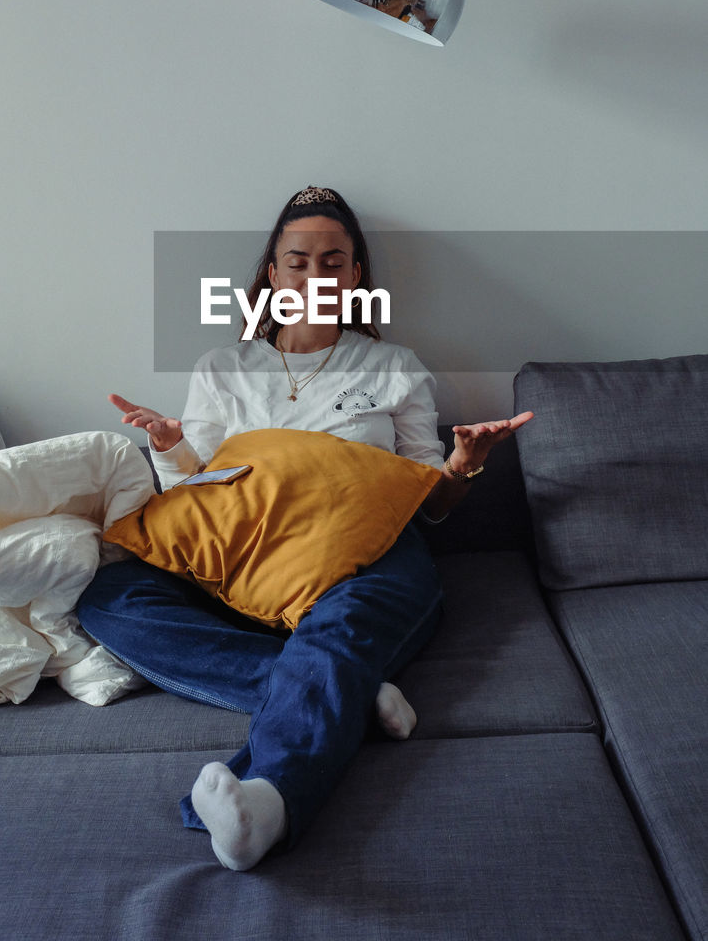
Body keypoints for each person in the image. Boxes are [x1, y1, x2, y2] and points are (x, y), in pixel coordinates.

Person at [77, 186, 532, 871]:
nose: (314, 277)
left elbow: (430, 507)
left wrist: (463, 466)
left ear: (354, 277)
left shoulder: (393, 367)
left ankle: (269, 801)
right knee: (107, 599)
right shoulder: (221, 369)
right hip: (241, 559)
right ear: (272, 274)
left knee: (342, 626)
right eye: (297, 262)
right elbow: (191, 499)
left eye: (333, 262)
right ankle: (339, 684)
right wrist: (172, 447)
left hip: (365, 559)